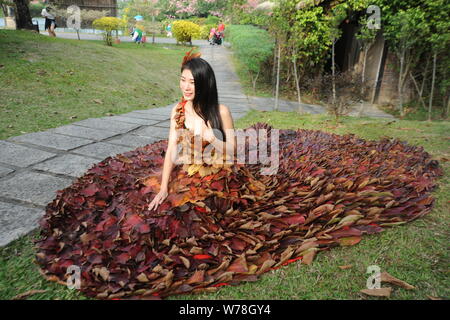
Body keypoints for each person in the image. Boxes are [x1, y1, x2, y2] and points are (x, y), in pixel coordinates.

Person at [34, 49, 444, 300]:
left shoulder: (221, 112)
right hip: (185, 170)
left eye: (192, 83)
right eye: (181, 81)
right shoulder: (175, 110)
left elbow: (232, 151)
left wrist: (207, 133)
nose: (185, 88)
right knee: (149, 207)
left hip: (218, 173)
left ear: (206, 85)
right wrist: (162, 183)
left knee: (197, 219)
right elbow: (170, 152)